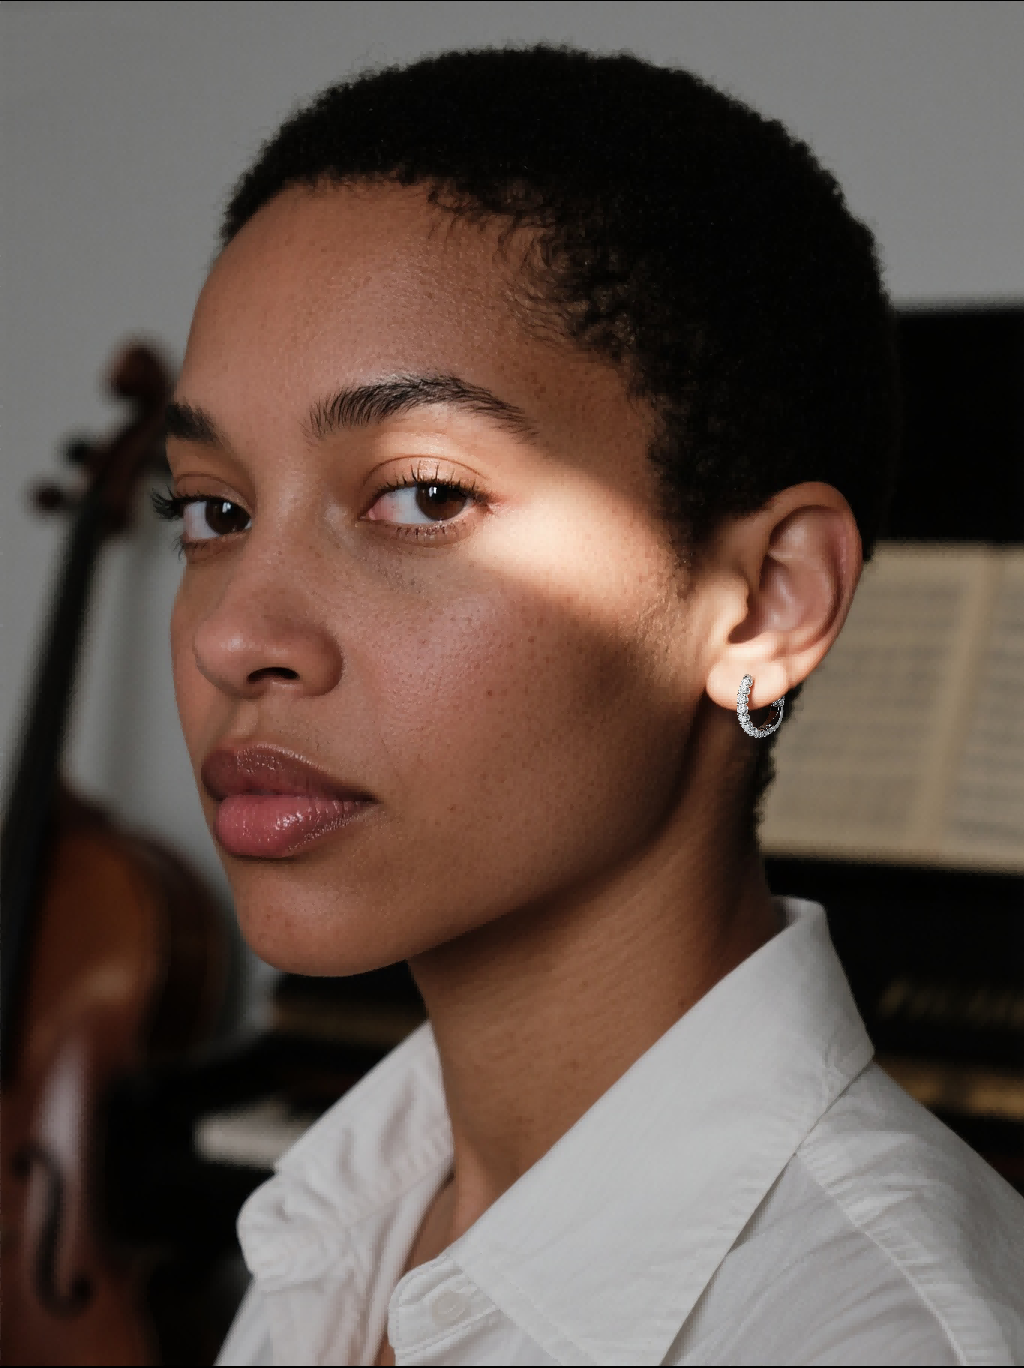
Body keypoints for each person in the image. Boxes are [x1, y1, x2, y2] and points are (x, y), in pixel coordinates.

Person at [157, 45, 1024, 1366]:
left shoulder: (880, 1337)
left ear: (767, 606)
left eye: (427, 496)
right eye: (213, 512)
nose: (231, 635)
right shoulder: (342, 1217)